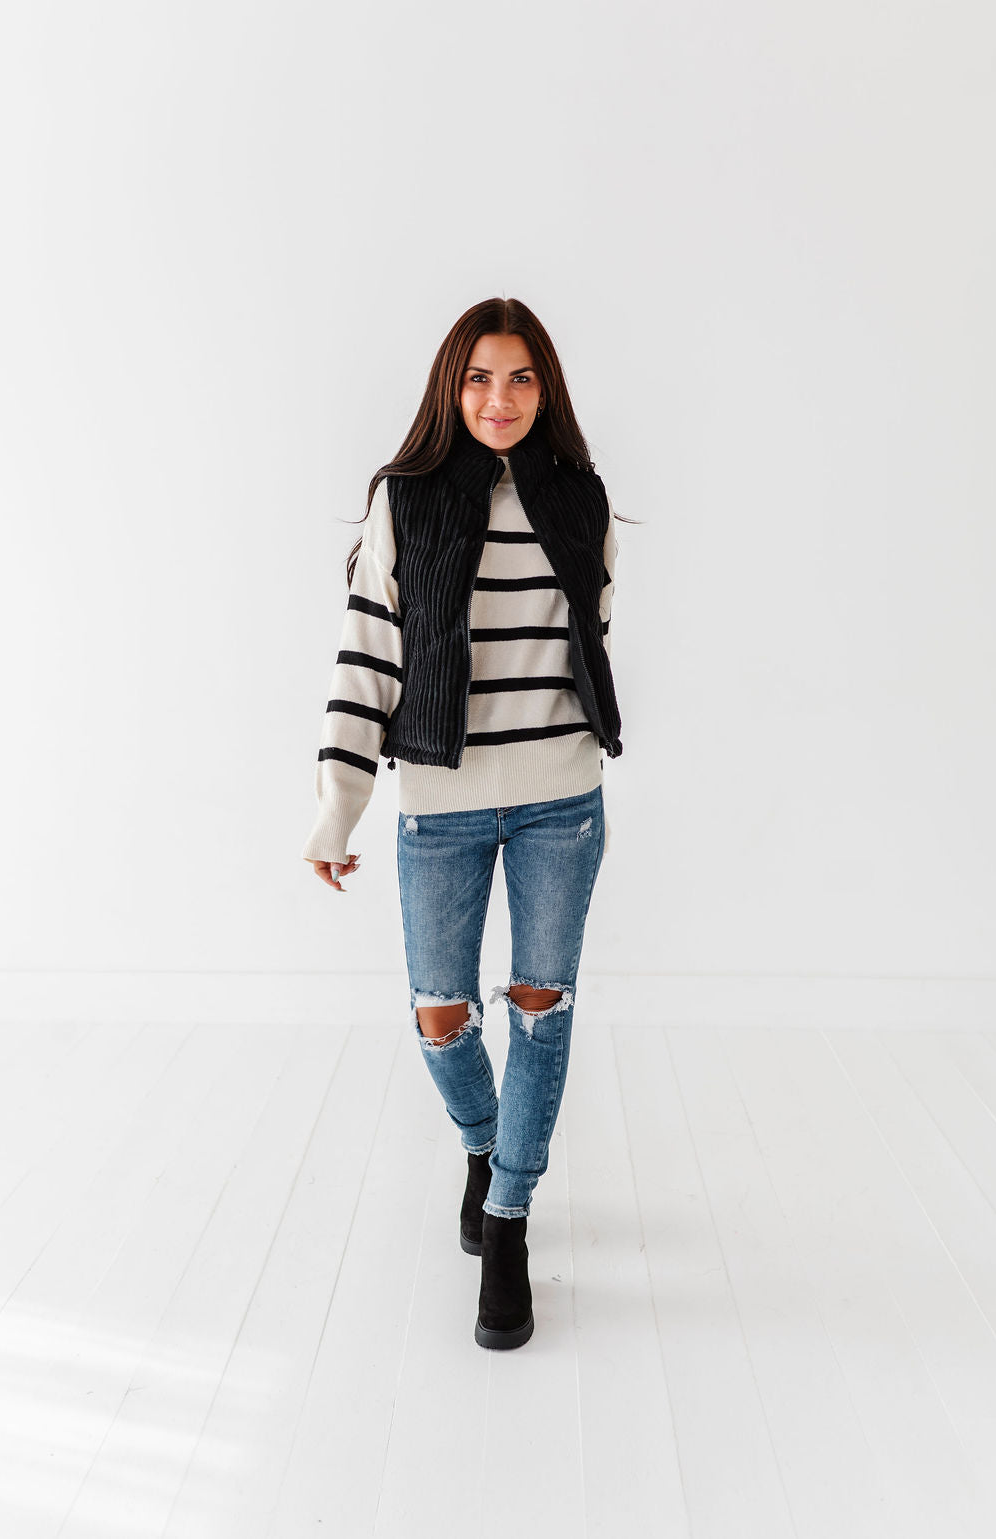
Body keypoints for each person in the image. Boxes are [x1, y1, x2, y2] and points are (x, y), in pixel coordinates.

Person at [302, 296, 627, 1350]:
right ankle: (485, 1146)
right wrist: (338, 806)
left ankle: (509, 1218)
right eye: (481, 377)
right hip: (439, 806)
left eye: (521, 377)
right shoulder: (405, 500)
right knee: (439, 1012)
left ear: (546, 389)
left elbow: (591, 634)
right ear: (453, 385)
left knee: (540, 1010)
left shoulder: (580, 497)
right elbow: (368, 653)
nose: (500, 398)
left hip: (561, 800)